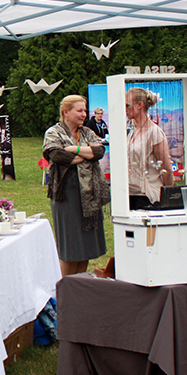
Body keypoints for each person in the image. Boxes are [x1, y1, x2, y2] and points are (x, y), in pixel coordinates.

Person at [43, 94, 110, 277]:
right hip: (67, 195)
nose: (83, 114)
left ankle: (79, 287)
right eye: (79, 110)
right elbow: (57, 156)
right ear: (66, 112)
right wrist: (86, 155)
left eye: (84, 110)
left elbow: (99, 151)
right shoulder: (53, 132)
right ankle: (65, 288)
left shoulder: (87, 132)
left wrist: (75, 149)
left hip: (89, 194)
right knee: (71, 246)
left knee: (85, 247)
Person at [126, 87, 173, 210]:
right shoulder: (132, 132)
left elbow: (166, 168)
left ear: (139, 105)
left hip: (147, 195)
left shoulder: (154, 132)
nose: (124, 109)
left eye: (127, 105)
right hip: (129, 194)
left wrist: (169, 198)